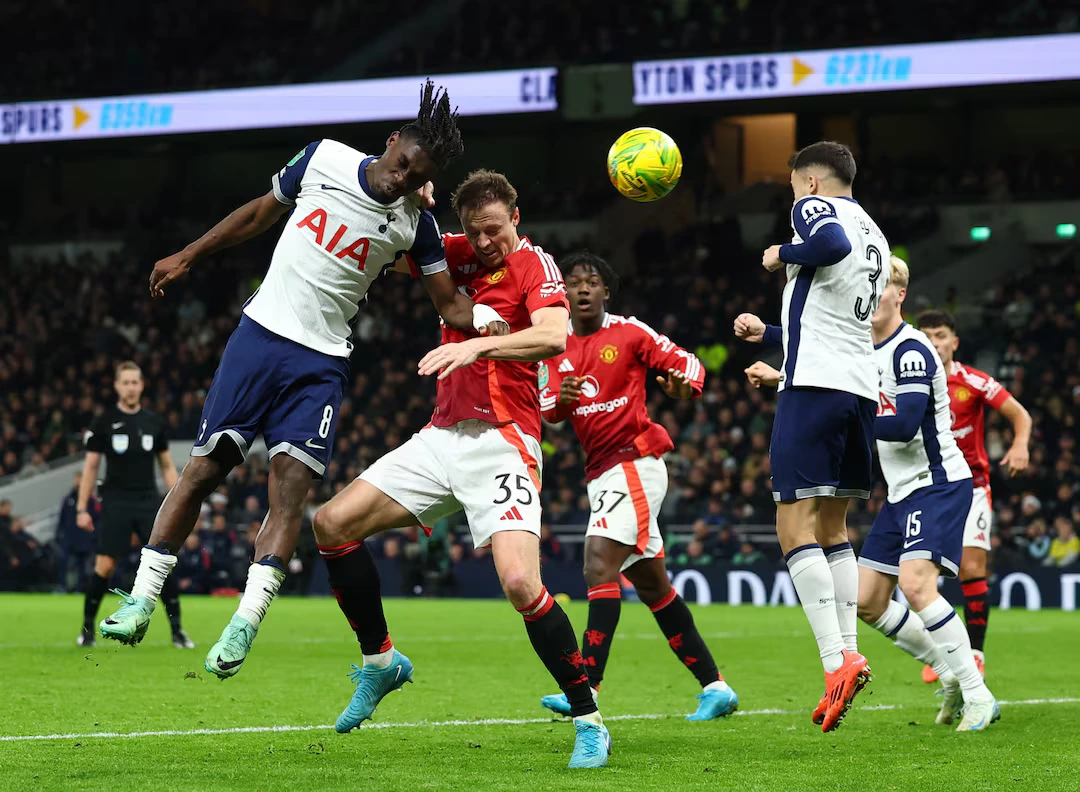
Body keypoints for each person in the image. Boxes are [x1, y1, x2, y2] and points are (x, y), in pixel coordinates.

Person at [99, 82, 502, 678]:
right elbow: (261, 213)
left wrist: (493, 318)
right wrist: (189, 254)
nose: (401, 179)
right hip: (259, 337)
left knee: (289, 494)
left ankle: (244, 624)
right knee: (203, 470)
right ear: (391, 143)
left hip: (320, 364)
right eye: (402, 163)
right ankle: (141, 599)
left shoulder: (417, 224)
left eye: (416, 174)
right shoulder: (324, 158)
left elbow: (450, 305)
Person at [311, 170, 611, 769]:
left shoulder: (534, 266)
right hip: (441, 436)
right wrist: (407, 203)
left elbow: (553, 337)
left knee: (522, 584)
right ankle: (381, 662)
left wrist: (475, 345)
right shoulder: (453, 253)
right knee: (331, 523)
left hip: (505, 442)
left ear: (516, 219)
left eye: (494, 230)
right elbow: (388, 245)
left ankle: (589, 720)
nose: (484, 242)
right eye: (474, 232)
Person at [746, 257, 1000, 732]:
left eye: (880, 288)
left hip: (938, 482)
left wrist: (838, 415)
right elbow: (814, 346)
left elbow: (904, 426)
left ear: (898, 294)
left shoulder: (911, 351)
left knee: (917, 585)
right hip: (901, 494)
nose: (869, 297)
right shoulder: (860, 345)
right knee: (866, 600)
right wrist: (768, 334)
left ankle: (977, 692)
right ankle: (948, 670)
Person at [536, 250, 738, 721]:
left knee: (597, 563)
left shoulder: (629, 332)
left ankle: (585, 685)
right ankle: (716, 687)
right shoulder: (555, 345)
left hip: (635, 461)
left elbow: (688, 365)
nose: (582, 288)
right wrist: (560, 403)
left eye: (592, 281)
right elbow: (547, 408)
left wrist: (682, 385)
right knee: (653, 586)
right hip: (602, 472)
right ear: (562, 294)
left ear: (607, 291)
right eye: (573, 282)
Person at [734, 141, 883, 732]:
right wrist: (768, 331)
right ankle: (849, 653)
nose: (794, 199)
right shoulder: (876, 231)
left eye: (796, 189)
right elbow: (831, 314)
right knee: (833, 528)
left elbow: (828, 245)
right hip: (858, 389)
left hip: (814, 388)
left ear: (813, 183)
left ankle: (832, 661)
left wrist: (778, 255)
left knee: (792, 526)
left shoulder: (820, 213)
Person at [916, 309, 1032, 680]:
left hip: (972, 485)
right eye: (928, 335)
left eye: (941, 335)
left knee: (971, 568)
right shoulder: (908, 381)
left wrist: (1020, 446)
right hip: (925, 486)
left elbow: (1020, 415)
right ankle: (943, 650)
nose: (934, 342)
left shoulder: (975, 382)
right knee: (919, 573)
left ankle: (976, 653)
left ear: (954, 342)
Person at [75, 362, 191, 647]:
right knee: (104, 565)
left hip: (148, 501)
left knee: (162, 563)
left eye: (134, 382)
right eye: (125, 382)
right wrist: (81, 508)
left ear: (141, 385)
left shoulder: (154, 422)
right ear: (117, 386)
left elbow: (166, 466)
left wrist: (182, 501)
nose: (130, 387)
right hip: (115, 501)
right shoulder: (103, 421)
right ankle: (87, 630)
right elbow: (90, 468)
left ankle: (177, 631)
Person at [56, 472, 96, 593]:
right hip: (69, 537)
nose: (78, 482)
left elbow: (96, 517)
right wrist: (59, 533)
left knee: (82, 565)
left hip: (83, 537)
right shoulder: (68, 498)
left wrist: (93, 535)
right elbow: (62, 517)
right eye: (76, 480)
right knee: (64, 561)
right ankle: (63, 586)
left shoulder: (90, 500)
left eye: (80, 480)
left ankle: (80, 588)